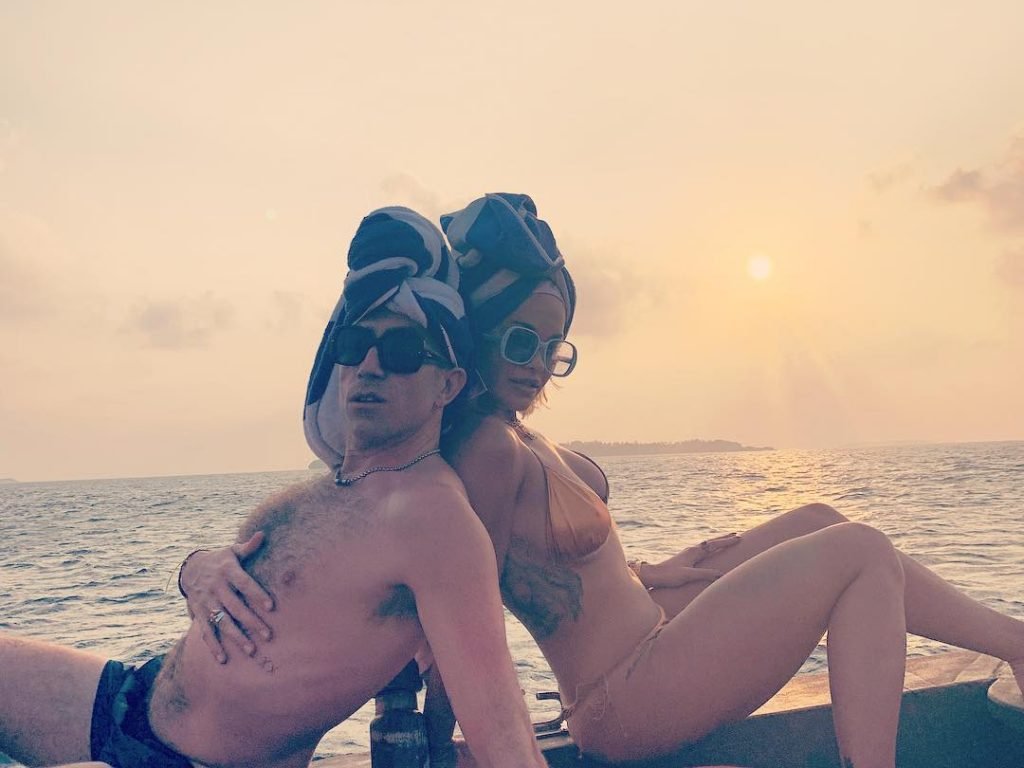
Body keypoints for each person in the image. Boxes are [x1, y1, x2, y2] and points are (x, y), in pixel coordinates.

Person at [183, 195, 1024, 768]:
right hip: (625, 695)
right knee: (858, 552)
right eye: (518, 341)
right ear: (475, 339)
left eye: (552, 348)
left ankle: (1015, 641)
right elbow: (445, 610)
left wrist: (661, 569)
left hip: (654, 632)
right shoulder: (479, 452)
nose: (536, 363)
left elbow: (575, 569)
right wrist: (207, 568)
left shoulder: (521, 436)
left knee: (818, 517)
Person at [0, 207, 546, 768]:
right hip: (137, 695)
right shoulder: (341, 484)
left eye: (403, 351)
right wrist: (194, 570)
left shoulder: (433, 518)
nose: (370, 366)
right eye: (354, 344)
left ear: (448, 386)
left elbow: (502, 730)